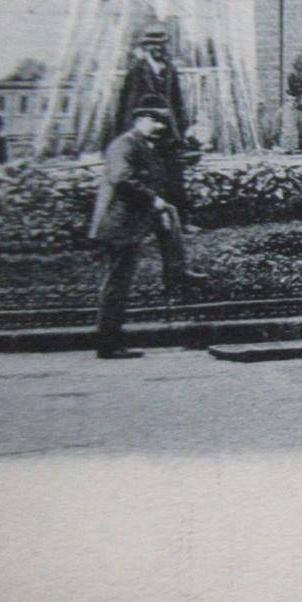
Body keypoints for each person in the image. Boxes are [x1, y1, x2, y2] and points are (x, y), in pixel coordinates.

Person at [88, 95, 206, 359]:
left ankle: (177, 269)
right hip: (117, 224)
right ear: (139, 120)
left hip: (129, 222)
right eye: (154, 121)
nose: (160, 127)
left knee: (169, 215)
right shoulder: (123, 145)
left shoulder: (143, 145)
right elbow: (122, 178)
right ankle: (108, 345)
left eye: (162, 122)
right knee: (116, 284)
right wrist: (154, 201)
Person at [115, 23, 190, 213]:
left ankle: (180, 219)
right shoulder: (137, 71)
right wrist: (130, 133)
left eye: (161, 44)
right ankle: (146, 221)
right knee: (146, 173)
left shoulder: (169, 70)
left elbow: (177, 102)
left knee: (174, 173)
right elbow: (128, 105)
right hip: (146, 130)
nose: (158, 48)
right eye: (153, 45)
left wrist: (181, 129)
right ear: (145, 46)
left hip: (168, 131)